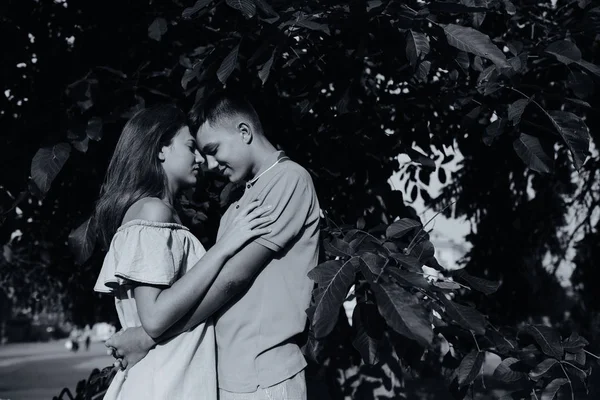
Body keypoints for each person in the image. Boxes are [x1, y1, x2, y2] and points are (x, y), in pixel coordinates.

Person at [106, 93, 321, 400]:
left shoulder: (288, 179)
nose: (207, 164)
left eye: (212, 149)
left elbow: (233, 278)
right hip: (229, 374)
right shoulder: (237, 202)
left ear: (244, 132)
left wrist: (147, 336)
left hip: (263, 373)